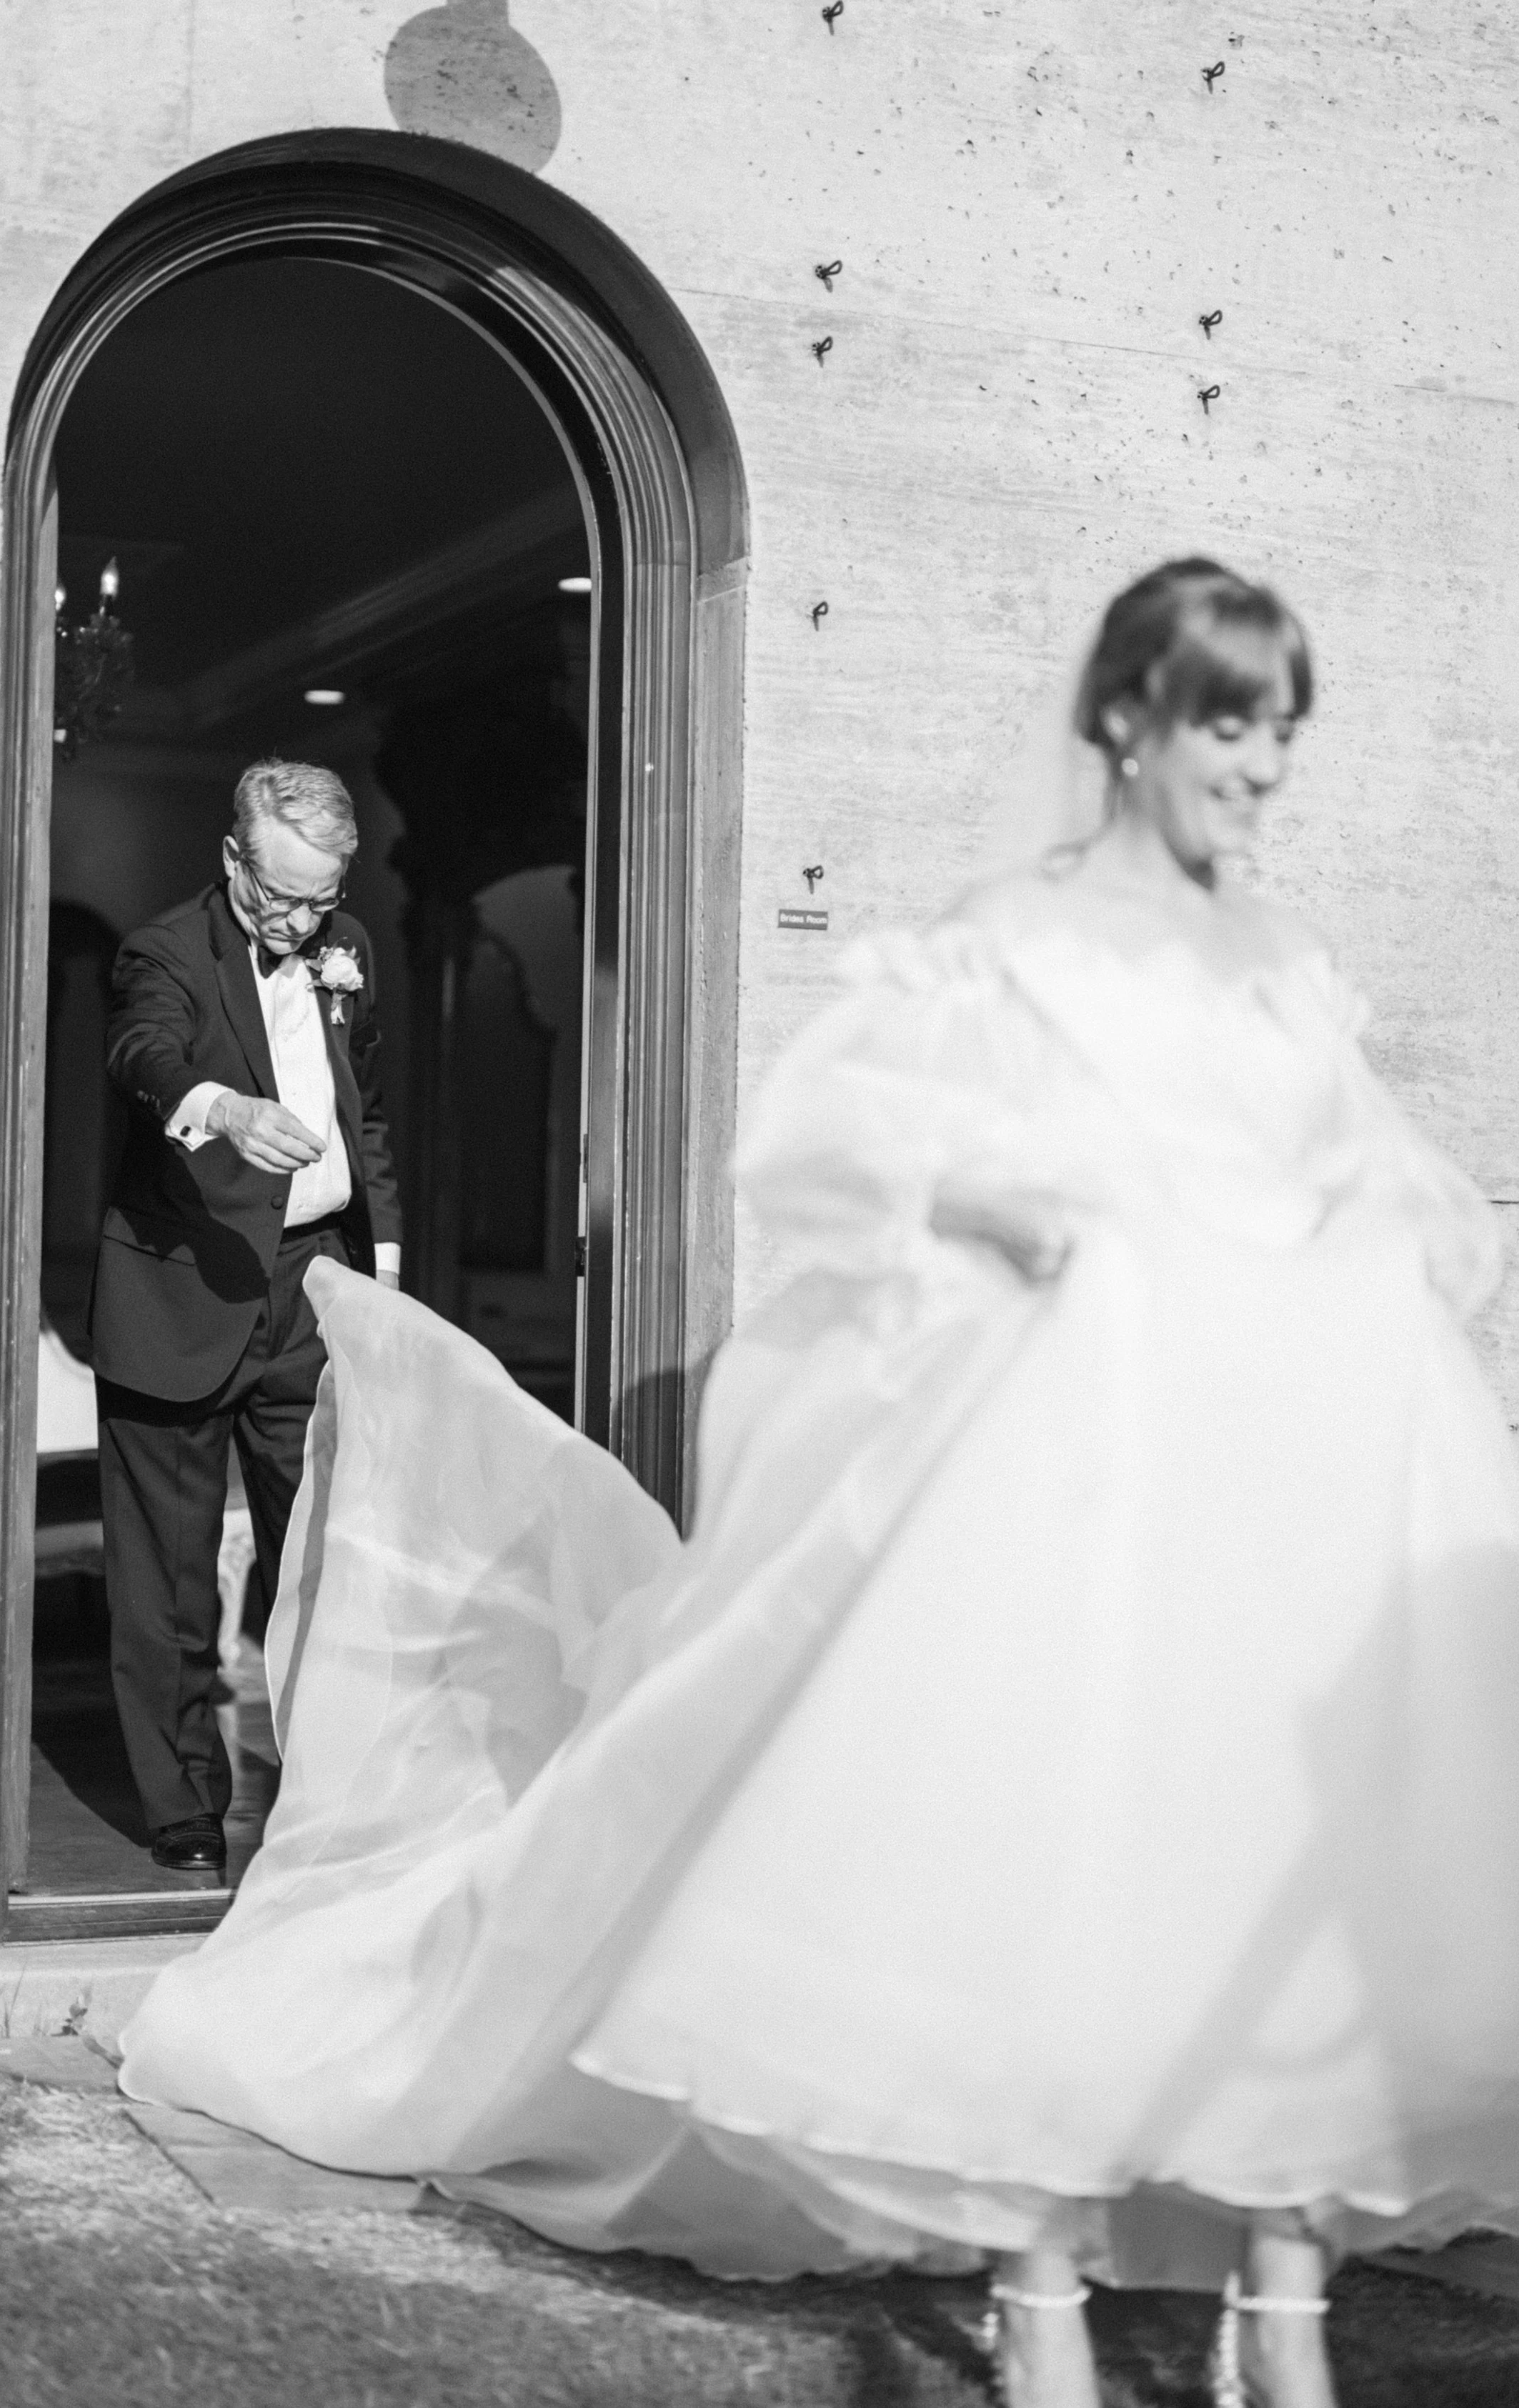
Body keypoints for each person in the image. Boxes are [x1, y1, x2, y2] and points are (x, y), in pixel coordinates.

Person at [119, 568, 1519, 2408]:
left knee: (1270, 1851)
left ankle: (1284, 2298)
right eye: (1229, 726)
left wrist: (1342, 1245)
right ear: (1129, 724)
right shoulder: (1011, 944)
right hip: (1072, 1463)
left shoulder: (1284, 962)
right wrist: (1024, 1213)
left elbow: (1370, 1177)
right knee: (1049, 1853)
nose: (1262, 767)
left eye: (1283, 732)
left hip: (1260, 1479)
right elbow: (845, 1155)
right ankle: (1035, 2287)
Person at [91, 759, 401, 1874]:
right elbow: (142, 1051)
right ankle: (183, 1807)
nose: (303, 922)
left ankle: (327, 1793)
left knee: (322, 1555)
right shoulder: (166, 949)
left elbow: (370, 1114)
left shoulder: (348, 948)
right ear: (233, 858)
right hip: (180, 1288)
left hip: (312, 1285)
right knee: (169, 1579)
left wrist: (381, 1270)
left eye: (321, 899)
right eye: (280, 897)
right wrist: (220, 1108)